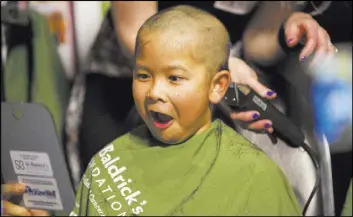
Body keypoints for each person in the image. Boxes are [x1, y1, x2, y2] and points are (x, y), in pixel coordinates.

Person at [2, 5, 302, 216]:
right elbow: (135, 29)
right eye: (143, 76)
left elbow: (258, 38)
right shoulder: (108, 161)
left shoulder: (256, 180)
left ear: (218, 85)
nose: (154, 92)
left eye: (174, 78)